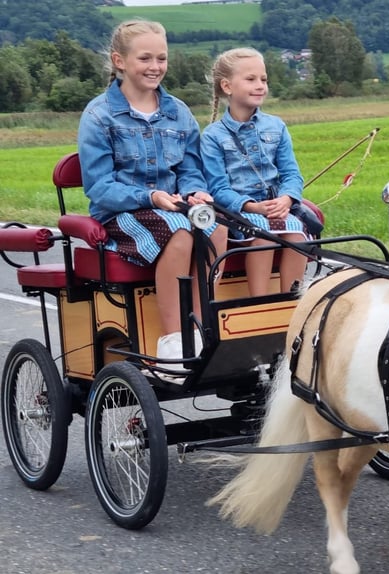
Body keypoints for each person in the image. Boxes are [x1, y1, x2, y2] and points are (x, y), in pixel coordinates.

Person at [77, 19, 228, 371]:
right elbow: (99, 186)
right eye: (145, 58)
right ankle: (173, 342)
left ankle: (201, 328)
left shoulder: (179, 112)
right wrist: (152, 197)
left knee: (217, 229)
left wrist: (194, 191)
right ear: (120, 60)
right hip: (120, 211)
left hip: (173, 206)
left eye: (161, 58)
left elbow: (190, 169)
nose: (155, 67)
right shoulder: (99, 115)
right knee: (177, 232)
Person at [201, 47, 308, 297]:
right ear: (227, 86)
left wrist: (286, 198)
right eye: (250, 79)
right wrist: (251, 207)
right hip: (238, 215)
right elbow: (218, 189)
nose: (260, 85)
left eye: (263, 79)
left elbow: (292, 173)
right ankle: (259, 304)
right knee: (264, 237)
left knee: (298, 235)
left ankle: (292, 303)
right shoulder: (213, 136)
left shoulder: (276, 126)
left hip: (276, 208)